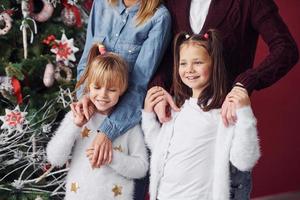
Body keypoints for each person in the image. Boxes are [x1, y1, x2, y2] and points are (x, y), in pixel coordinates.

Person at [149, 0, 299, 198]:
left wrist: (245, 83)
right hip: (183, 127)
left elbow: (286, 48)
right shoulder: (172, 2)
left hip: (225, 129)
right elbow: (171, 56)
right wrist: (158, 88)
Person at [142, 30, 260, 200]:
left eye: (197, 62)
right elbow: (157, 147)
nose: (189, 69)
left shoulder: (223, 112)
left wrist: (245, 114)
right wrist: (148, 114)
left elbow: (244, 161)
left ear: (214, 64)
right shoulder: (177, 106)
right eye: (183, 63)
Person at [47, 44, 148, 200]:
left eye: (112, 89)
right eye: (97, 87)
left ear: (122, 89)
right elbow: (55, 158)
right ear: (89, 86)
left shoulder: (128, 125)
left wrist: (111, 158)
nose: (103, 95)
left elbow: (141, 168)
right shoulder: (77, 117)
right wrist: (75, 126)